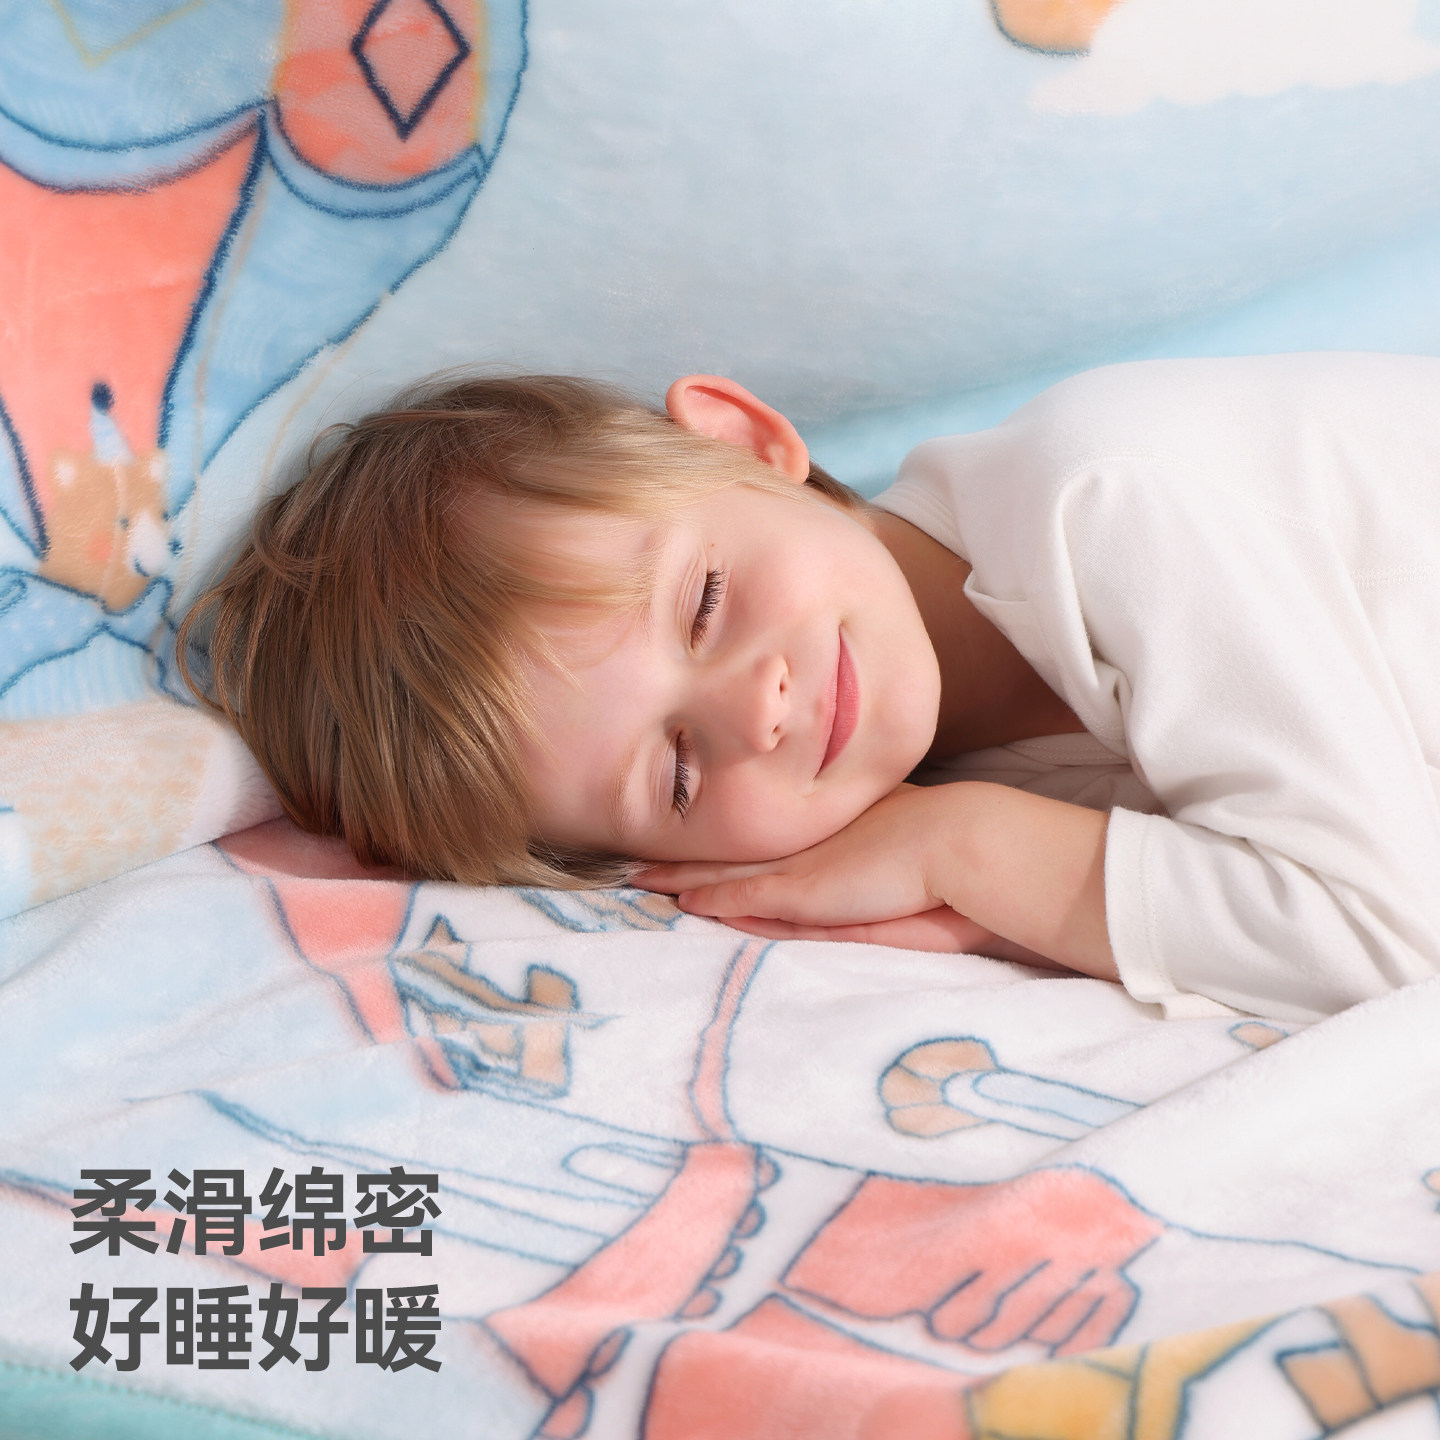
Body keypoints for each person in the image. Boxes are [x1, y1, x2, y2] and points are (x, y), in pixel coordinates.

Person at [181, 355, 1440, 1021]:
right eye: (677, 771)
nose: (758, 710)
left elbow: (1391, 933)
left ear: (746, 445)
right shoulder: (937, 761)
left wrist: (980, 853)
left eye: (703, 603)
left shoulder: (1108, 497)